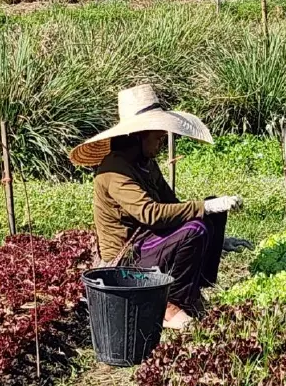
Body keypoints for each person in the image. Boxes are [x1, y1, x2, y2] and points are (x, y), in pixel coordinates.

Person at [70, 84, 245, 330]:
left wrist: (219, 237)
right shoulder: (114, 170)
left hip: (147, 242)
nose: (162, 142)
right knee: (196, 226)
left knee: (208, 220)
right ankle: (168, 303)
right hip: (127, 258)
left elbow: (171, 205)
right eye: (158, 136)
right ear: (140, 134)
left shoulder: (144, 163)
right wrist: (204, 208)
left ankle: (192, 292)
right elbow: (151, 214)